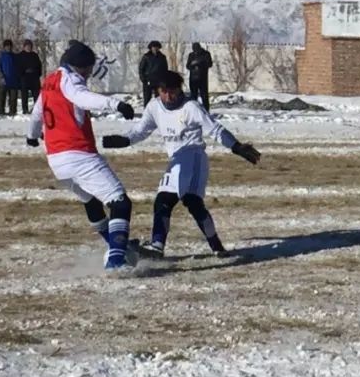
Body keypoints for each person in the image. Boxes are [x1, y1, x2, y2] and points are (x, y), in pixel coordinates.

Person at [103, 70, 260, 258]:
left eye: (172, 91)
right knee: (178, 202)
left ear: (179, 89)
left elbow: (215, 130)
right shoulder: (154, 107)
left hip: (193, 157)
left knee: (178, 201)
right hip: (178, 159)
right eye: (163, 91)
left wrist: (236, 146)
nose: (168, 96)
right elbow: (140, 130)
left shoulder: (191, 107)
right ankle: (190, 247)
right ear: (158, 91)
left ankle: (176, 247)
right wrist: (123, 140)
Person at [25, 41, 138, 270]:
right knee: (120, 202)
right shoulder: (71, 80)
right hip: (78, 153)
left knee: (91, 200)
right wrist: (116, 104)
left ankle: (116, 245)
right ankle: (116, 260)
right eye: (88, 68)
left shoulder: (49, 81)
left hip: (56, 160)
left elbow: (37, 112)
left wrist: (32, 135)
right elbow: (83, 97)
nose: (88, 73)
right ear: (81, 66)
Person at [138, 41, 169, 106]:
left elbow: (165, 69)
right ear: (151, 48)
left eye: (156, 47)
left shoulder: (162, 57)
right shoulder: (146, 56)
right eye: (153, 47)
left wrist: (164, 80)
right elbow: (141, 68)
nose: (155, 49)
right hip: (148, 80)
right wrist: (143, 79)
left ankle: (158, 113)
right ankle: (146, 112)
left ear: (159, 48)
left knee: (159, 99)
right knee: (147, 98)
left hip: (158, 81)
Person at [18, 39, 43, 115]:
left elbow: (39, 65)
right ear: (24, 46)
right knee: (24, 95)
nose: (28, 47)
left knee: (36, 94)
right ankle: (25, 110)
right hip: (24, 77)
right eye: (27, 46)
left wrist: (38, 73)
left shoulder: (34, 55)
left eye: (30, 46)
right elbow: (18, 66)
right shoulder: (20, 55)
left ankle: (36, 109)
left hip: (34, 77)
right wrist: (22, 73)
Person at [185, 42, 213, 110]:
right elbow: (188, 66)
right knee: (193, 96)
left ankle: (206, 110)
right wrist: (193, 64)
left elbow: (209, 64)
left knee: (204, 96)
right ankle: (194, 110)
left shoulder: (206, 54)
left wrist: (200, 63)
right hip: (193, 78)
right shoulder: (191, 55)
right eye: (194, 50)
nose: (196, 52)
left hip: (202, 78)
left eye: (197, 50)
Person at [0, 39, 19, 116]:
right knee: (1, 97)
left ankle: (12, 112)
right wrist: (1, 76)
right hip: (3, 80)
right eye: (7, 46)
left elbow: (17, 67)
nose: (8, 47)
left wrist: (17, 77)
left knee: (13, 98)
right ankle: (1, 112)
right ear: (4, 47)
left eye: (9, 46)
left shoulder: (14, 56)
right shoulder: (0, 55)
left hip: (13, 80)